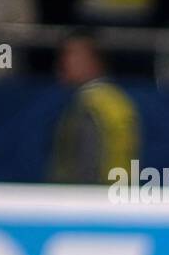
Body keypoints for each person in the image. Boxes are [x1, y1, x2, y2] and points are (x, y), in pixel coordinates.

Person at [47, 31, 140, 184]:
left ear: (95, 59)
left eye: (71, 54)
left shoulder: (91, 105)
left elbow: (88, 162)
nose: (62, 62)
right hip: (115, 196)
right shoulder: (117, 99)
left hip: (90, 197)